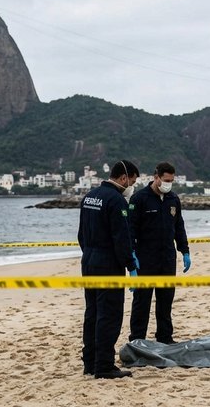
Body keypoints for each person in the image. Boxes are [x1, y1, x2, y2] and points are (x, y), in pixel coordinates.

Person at [78, 159, 140, 379]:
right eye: (132, 181)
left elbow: (81, 234)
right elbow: (121, 239)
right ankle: (103, 365)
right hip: (107, 263)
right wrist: (131, 266)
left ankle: (90, 362)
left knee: (92, 312)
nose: (132, 186)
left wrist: (89, 254)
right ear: (124, 178)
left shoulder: (89, 197)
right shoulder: (116, 201)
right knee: (109, 314)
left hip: (89, 260)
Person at [128, 162, 190, 344]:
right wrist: (131, 255)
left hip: (167, 258)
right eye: (165, 180)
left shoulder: (173, 199)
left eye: (171, 180)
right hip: (145, 259)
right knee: (142, 302)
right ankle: (137, 339)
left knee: (165, 301)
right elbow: (130, 229)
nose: (168, 183)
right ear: (156, 177)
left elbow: (179, 227)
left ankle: (165, 337)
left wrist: (184, 250)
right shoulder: (139, 199)